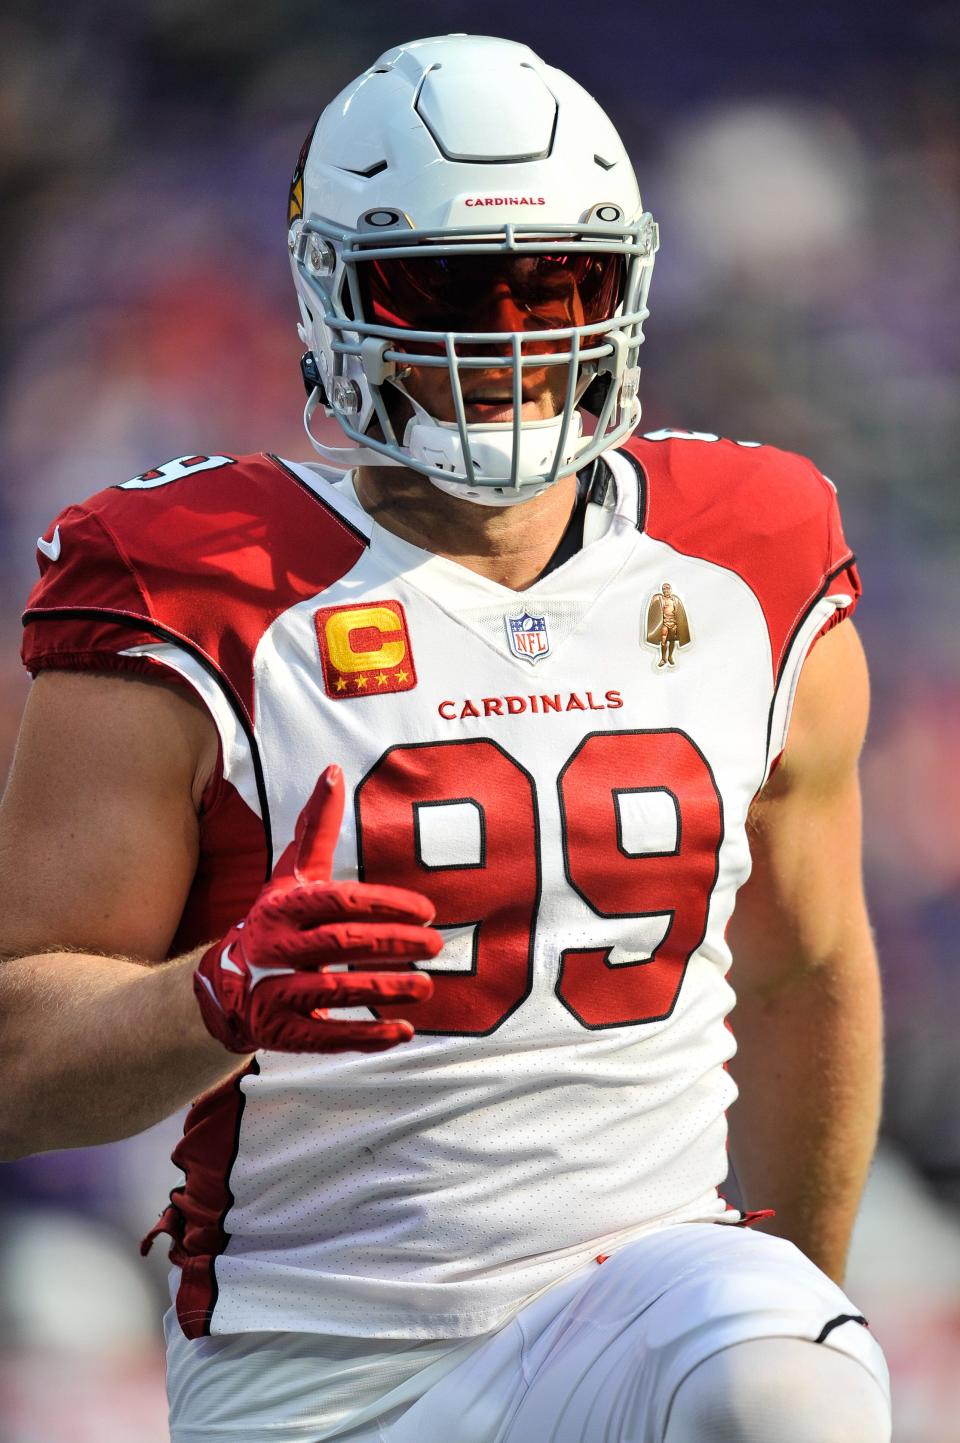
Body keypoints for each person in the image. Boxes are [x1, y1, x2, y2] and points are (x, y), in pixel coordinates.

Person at [0, 33, 891, 1443]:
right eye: (445, 288)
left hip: (644, 1289)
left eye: (559, 283)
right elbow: (11, 1063)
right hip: (318, 1352)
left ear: (628, 286)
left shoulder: (752, 553)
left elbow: (807, 967)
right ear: (331, 291)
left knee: (785, 1394)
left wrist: (799, 1303)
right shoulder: (193, 579)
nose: (510, 337)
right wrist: (212, 999)